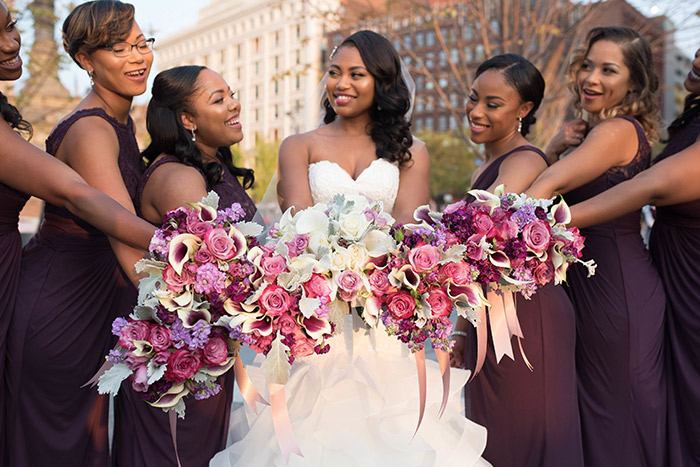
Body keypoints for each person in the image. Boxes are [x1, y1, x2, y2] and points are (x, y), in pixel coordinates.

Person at [211, 30, 489, 466]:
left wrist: (380, 276)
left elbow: (409, 234)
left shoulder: (411, 151)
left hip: (384, 324)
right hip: (319, 319)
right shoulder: (299, 145)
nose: (341, 83)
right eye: (334, 72)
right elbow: (296, 233)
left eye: (356, 74)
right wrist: (332, 274)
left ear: (382, 81)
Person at [4, 1, 153, 465]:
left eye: (142, 43)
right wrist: (198, 254)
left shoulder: (121, 120)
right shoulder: (91, 130)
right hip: (60, 305)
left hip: (87, 301)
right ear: (86, 60)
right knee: (57, 443)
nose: (138, 56)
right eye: (119, 47)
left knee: (80, 440)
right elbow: (87, 203)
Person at [527, 27, 666, 466]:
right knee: (599, 417)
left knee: (616, 420)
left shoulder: (616, 131)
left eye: (609, 69)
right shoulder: (597, 132)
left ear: (634, 82)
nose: (591, 77)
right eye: (588, 65)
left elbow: (542, 188)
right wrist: (554, 146)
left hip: (616, 292)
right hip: (594, 288)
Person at [112, 65, 256, 466]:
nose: (234, 104)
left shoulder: (210, 165)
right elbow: (206, 275)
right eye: (219, 99)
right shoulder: (178, 176)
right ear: (188, 120)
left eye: (231, 93)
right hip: (180, 364)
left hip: (207, 353)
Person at [448, 54, 583, 467]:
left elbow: (483, 237)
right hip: (489, 317)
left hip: (527, 318)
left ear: (524, 110)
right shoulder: (484, 167)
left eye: (492, 104)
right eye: (473, 99)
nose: (475, 111)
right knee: (492, 437)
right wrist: (461, 328)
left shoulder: (526, 160)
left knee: (528, 433)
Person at [569, 47, 700, 466]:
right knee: (664, 404)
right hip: (667, 275)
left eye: (609, 69)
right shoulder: (693, 119)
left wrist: (548, 221)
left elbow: (650, 186)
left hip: (691, 289)